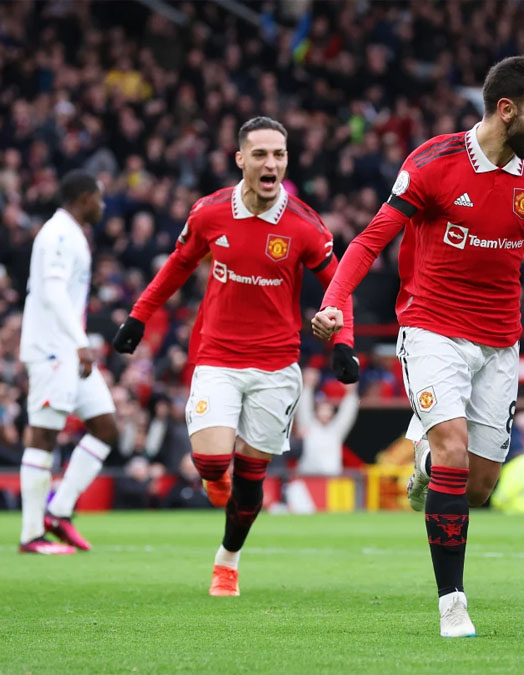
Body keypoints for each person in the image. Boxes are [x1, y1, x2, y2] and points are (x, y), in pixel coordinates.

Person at [310, 56, 524, 638]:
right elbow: (370, 240)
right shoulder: (432, 163)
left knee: (480, 484)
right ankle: (452, 605)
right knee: (453, 448)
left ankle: (422, 465)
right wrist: (336, 301)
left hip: (499, 342)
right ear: (506, 109)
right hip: (431, 329)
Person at [112, 116, 360, 597]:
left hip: (276, 365)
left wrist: (343, 342)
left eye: (279, 155)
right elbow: (178, 265)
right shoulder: (209, 213)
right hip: (218, 357)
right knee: (210, 462)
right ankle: (215, 482)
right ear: (240, 159)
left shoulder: (305, 224)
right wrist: (139, 317)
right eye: (261, 154)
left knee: (251, 479)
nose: (271, 164)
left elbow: (340, 285)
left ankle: (227, 560)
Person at [18, 170, 117, 555]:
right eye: (99, 198)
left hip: (68, 350)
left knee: (106, 427)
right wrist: (80, 342)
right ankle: (31, 535)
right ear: (83, 198)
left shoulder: (72, 233)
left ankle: (58, 511)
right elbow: (54, 293)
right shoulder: (58, 234)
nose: (102, 206)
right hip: (52, 349)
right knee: (44, 435)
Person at [294, 368, 360, 476]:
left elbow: (347, 414)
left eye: (328, 410)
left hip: (331, 478)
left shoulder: (336, 430)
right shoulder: (309, 426)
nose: (324, 413)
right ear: (316, 412)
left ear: (332, 413)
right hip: (308, 477)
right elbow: (303, 409)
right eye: (322, 410)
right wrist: (308, 386)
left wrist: (351, 392)